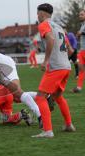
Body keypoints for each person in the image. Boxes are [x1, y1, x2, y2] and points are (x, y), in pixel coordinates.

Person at [32, 3, 75, 138]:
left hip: (56, 67)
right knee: (57, 96)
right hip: (66, 67)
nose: (37, 16)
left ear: (43, 14)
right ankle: (69, 125)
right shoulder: (60, 27)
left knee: (40, 97)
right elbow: (70, 49)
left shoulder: (44, 24)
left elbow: (50, 39)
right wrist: (63, 60)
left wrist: (46, 61)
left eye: (38, 13)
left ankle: (48, 131)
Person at [72, 10, 85, 93]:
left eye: (82, 14)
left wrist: (81, 33)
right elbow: (79, 34)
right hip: (82, 50)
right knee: (81, 69)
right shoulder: (82, 25)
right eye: (79, 14)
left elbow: (81, 33)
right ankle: (79, 87)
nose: (80, 16)